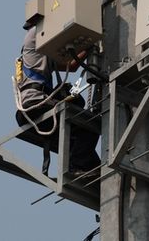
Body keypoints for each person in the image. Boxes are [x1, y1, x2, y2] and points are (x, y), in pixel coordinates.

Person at [14, 16, 101, 179]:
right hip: (36, 103)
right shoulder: (35, 34)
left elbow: (72, 65)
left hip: (33, 105)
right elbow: (62, 27)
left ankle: (92, 169)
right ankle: (78, 167)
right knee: (89, 124)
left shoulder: (42, 53)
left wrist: (90, 46)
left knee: (78, 117)